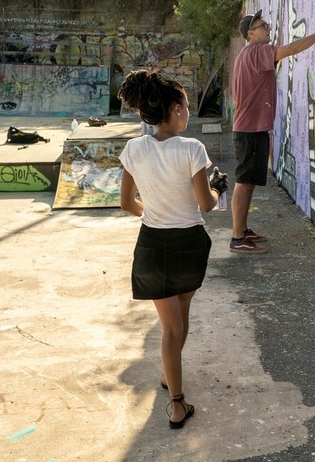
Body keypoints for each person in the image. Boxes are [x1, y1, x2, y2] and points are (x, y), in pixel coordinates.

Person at [117, 69, 229, 430]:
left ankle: (171, 375)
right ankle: (177, 402)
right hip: (188, 244)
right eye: (186, 106)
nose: (188, 112)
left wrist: (152, 213)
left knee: (169, 325)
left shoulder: (134, 149)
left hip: (151, 245)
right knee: (179, 318)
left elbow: (126, 202)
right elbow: (206, 204)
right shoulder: (192, 149)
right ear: (176, 110)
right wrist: (217, 187)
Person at [229, 9, 315, 253]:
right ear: (251, 33)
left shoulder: (247, 54)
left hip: (251, 128)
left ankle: (242, 229)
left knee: (248, 182)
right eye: (263, 26)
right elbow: (291, 49)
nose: (268, 28)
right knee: (243, 182)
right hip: (249, 130)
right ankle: (237, 239)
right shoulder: (257, 51)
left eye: (267, 24)